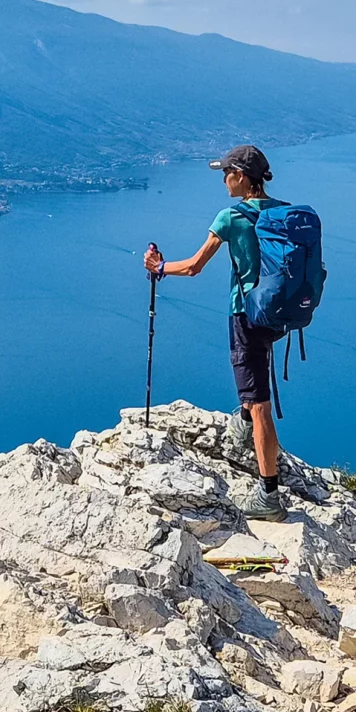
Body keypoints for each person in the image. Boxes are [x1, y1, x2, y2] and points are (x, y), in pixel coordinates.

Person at [144, 145, 290, 520]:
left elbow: (194, 266)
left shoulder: (230, 216)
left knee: (259, 404)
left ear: (241, 176)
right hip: (275, 315)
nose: (223, 180)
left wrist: (160, 268)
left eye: (226, 173)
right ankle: (241, 424)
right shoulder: (281, 211)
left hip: (246, 314)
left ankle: (268, 496)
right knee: (254, 386)